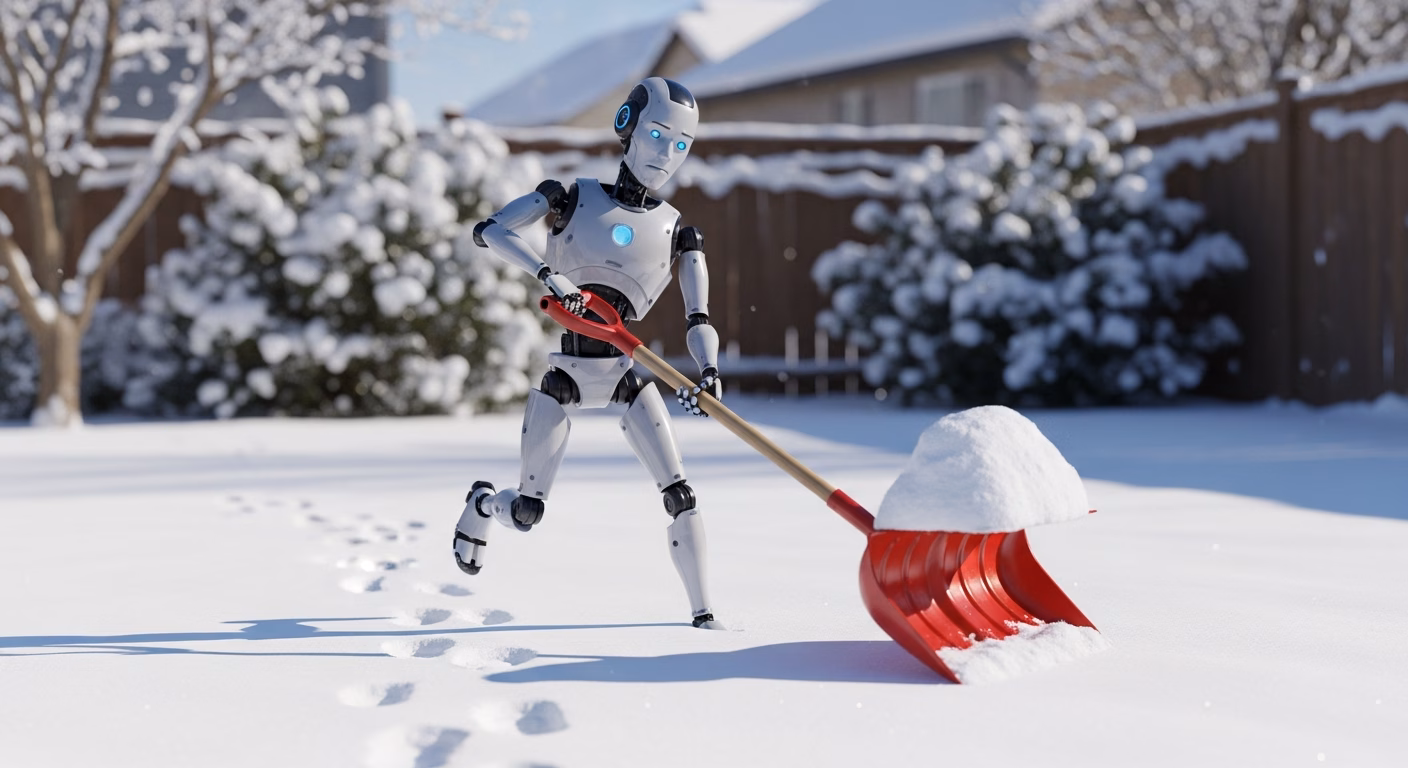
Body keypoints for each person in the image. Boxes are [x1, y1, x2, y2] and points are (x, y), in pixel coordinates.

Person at [452, 77, 724, 628]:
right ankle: (482, 504)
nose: (665, 154)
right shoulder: (570, 198)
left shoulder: (678, 232)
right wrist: (548, 275)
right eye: (656, 135)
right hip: (566, 376)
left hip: (627, 375)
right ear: (628, 127)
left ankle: (704, 616)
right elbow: (492, 230)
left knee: (680, 493)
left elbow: (699, 317)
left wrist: (708, 372)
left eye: (680, 144)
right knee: (526, 512)